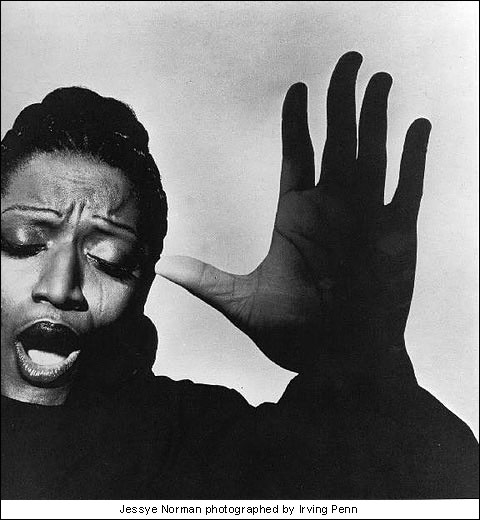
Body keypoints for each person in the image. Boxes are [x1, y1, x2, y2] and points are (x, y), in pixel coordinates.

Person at [1, 52, 478, 499]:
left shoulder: (200, 446)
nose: (59, 288)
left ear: (144, 282)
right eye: (24, 241)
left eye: (108, 258)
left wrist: (362, 359)